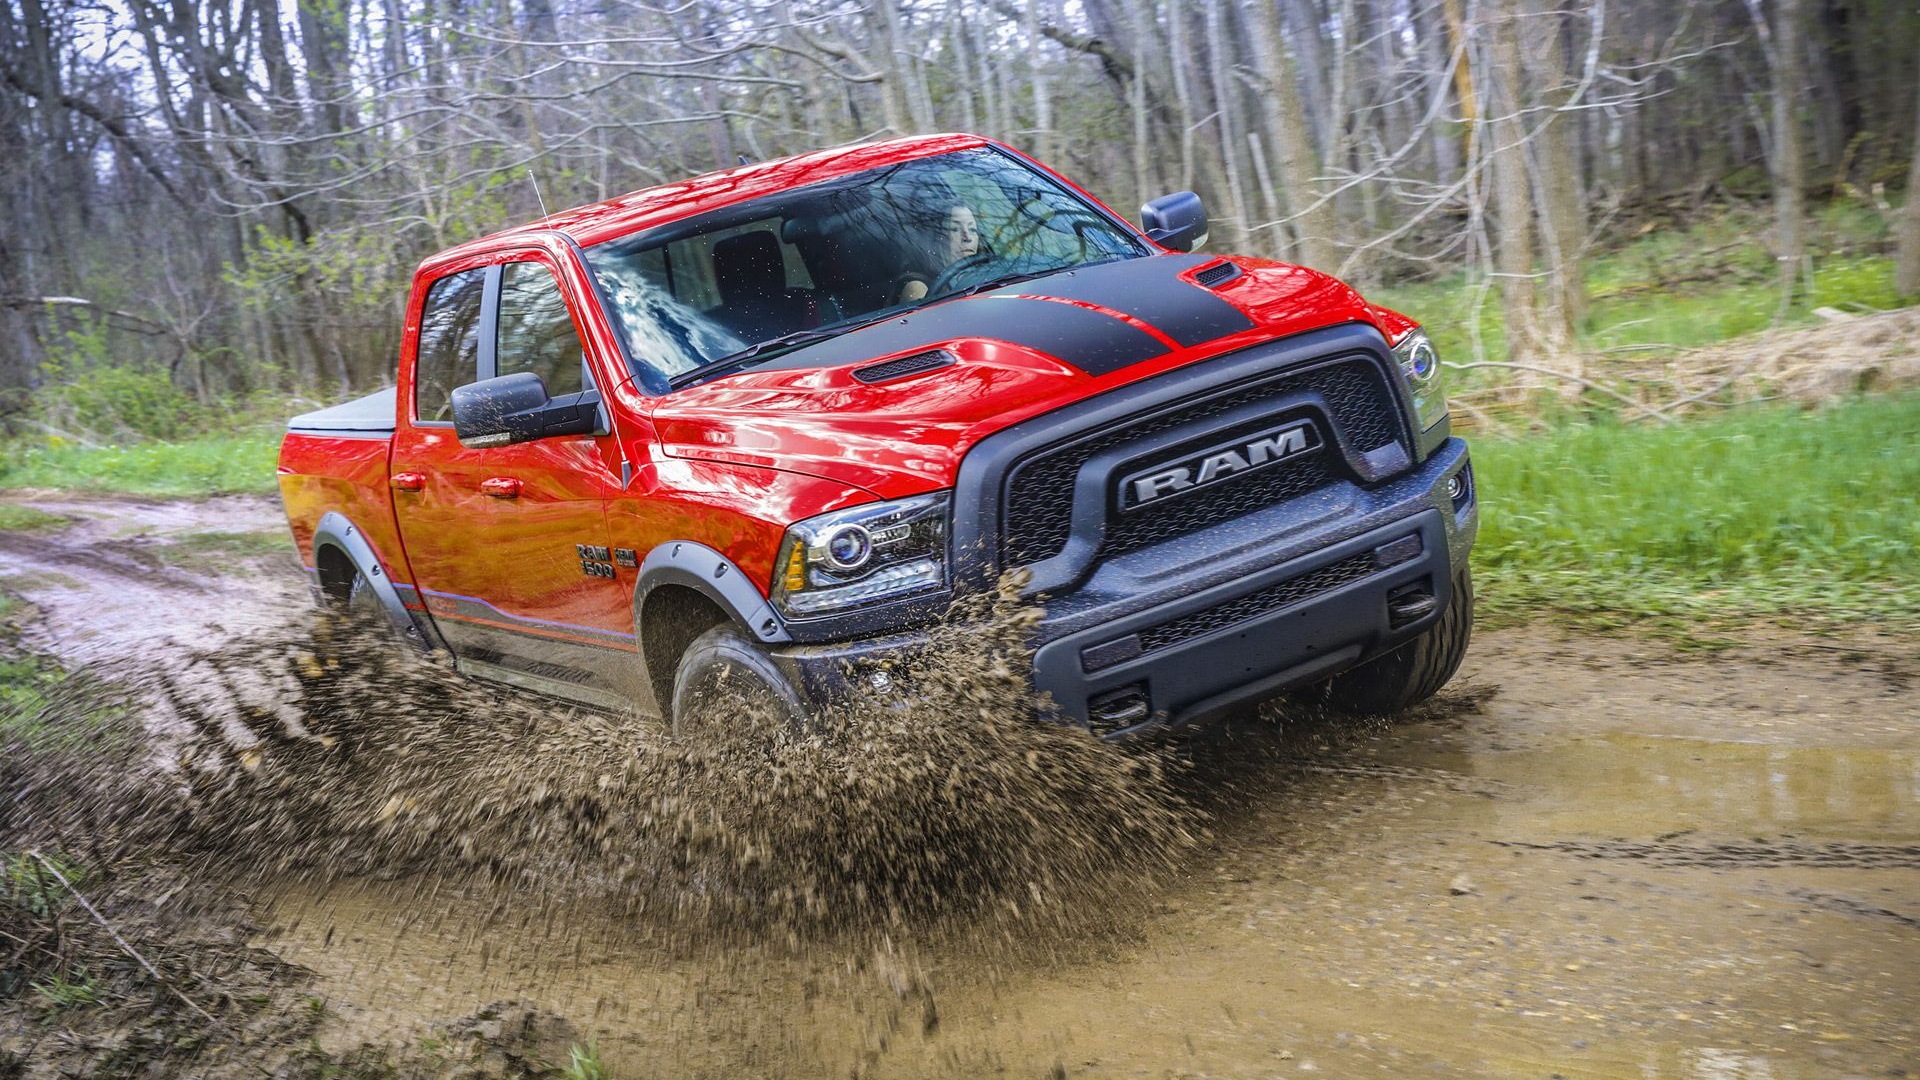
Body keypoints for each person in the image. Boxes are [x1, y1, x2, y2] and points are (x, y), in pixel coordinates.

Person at [897, 204, 981, 303]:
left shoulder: (989, 274)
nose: (967, 238)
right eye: (955, 229)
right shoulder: (919, 289)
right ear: (937, 240)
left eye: (972, 229)